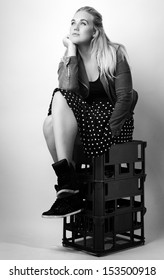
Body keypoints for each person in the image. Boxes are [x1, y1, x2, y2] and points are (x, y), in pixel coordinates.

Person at [42, 6, 138, 218]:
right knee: (50, 120)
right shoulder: (69, 58)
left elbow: (125, 98)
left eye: (83, 23)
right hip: (88, 121)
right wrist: (71, 51)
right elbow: (68, 93)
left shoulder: (114, 53)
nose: (75, 27)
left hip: (113, 123)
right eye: (73, 22)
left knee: (58, 100)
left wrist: (109, 133)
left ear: (94, 31)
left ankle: (68, 188)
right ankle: (69, 186)